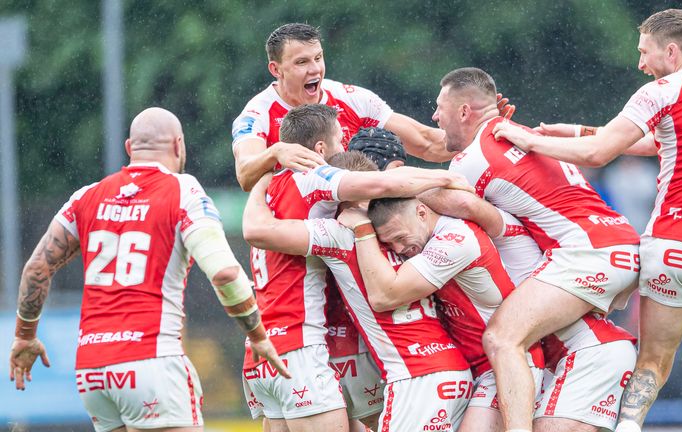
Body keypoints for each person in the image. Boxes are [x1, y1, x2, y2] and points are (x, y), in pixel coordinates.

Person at [492, 9, 682, 432]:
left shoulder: (662, 90)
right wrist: (577, 130)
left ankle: (629, 428)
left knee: (652, 363)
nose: (640, 64)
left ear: (670, 50)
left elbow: (600, 155)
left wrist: (527, 138)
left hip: (675, 246)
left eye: (644, 52)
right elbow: (665, 142)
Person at [9, 108, 287, 432]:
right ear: (178, 145)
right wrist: (257, 335)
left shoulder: (86, 196)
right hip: (151, 362)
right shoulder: (184, 190)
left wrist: (24, 336)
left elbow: (36, 268)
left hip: (93, 370)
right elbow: (225, 273)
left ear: (129, 148)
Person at [431, 67, 641, 431]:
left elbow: (453, 204)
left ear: (465, 111)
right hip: (617, 242)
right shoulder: (522, 134)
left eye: (439, 107)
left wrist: (376, 184)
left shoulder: (472, 159)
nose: (435, 117)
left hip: (586, 252)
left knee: (502, 337)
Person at [240, 103, 471, 432]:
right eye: (340, 139)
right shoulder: (313, 178)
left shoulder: (271, 188)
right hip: (303, 346)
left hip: (261, 352)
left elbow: (254, 227)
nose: (344, 148)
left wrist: (263, 169)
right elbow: (379, 185)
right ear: (321, 149)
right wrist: (448, 176)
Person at [337, 196, 547, 432]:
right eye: (390, 243)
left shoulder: (456, 238)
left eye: (400, 238)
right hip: (474, 367)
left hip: (503, 366)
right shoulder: (429, 238)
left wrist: (362, 229)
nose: (399, 249)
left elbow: (385, 297)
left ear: (422, 213)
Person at [230, 23, 452, 192]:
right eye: (302, 62)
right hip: (290, 241)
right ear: (276, 70)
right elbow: (245, 175)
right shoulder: (257, 113)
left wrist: (483, 129)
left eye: (318, 58)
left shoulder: (353, 99)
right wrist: (275, 152)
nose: (315, 69)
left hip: (348, 234)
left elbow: (428, 143)